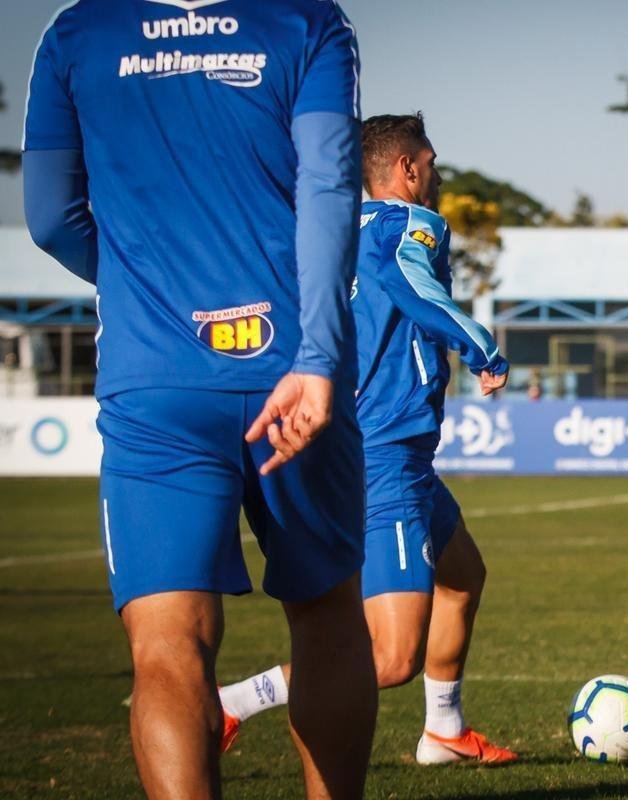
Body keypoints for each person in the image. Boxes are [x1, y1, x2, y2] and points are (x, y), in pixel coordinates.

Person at [22, 1, 377, 797]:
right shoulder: (306, 21)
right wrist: (317, 355)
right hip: (295, 367)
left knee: (166, 643)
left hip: (156, 377)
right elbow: (329, 185)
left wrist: (146, 286)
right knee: (324, 616)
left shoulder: (78, 33)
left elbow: (49, 218)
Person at [219, 113, 517, 766]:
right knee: (388, 658)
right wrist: (480, 346)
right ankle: (234, 702)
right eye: (430, 164)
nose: (435, 176)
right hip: (388, 451)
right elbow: (409, 284)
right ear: (406, 169)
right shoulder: (405, 223)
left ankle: (443, 730)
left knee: (462, 576)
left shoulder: (331, 232)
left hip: (381, 445)